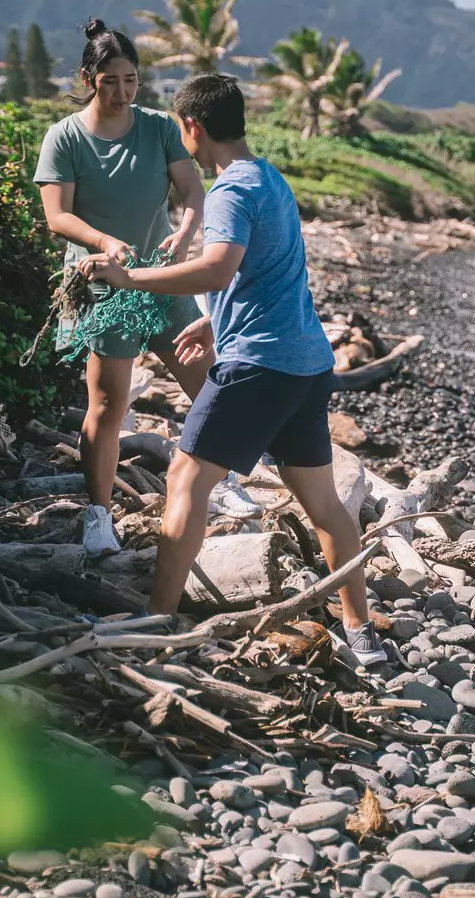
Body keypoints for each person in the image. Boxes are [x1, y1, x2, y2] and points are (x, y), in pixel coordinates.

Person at [77, 73, 386, 664]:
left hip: (259, 368)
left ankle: (157, 621)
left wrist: (129, 276)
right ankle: (360, 630)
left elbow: (218, 268)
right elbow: (267, 271)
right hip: (306, 365)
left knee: (185, 482)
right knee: (321, 501)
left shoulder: (228, 192)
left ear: (192, 127)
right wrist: (216, 321)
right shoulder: (269, 177)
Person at [34, 19, 209, 558]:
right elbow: (57, 216)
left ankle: (219, 484)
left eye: (130, 79)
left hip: (163, 276)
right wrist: (103, 240)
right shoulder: (65, 136)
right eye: (110, 80)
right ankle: (98, 513)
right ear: (89, 78)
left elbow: (193, 189)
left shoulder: (158, 128)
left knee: (209, 385)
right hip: (104, 285)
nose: (121, 91)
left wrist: (184, 234)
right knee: (107, 406)